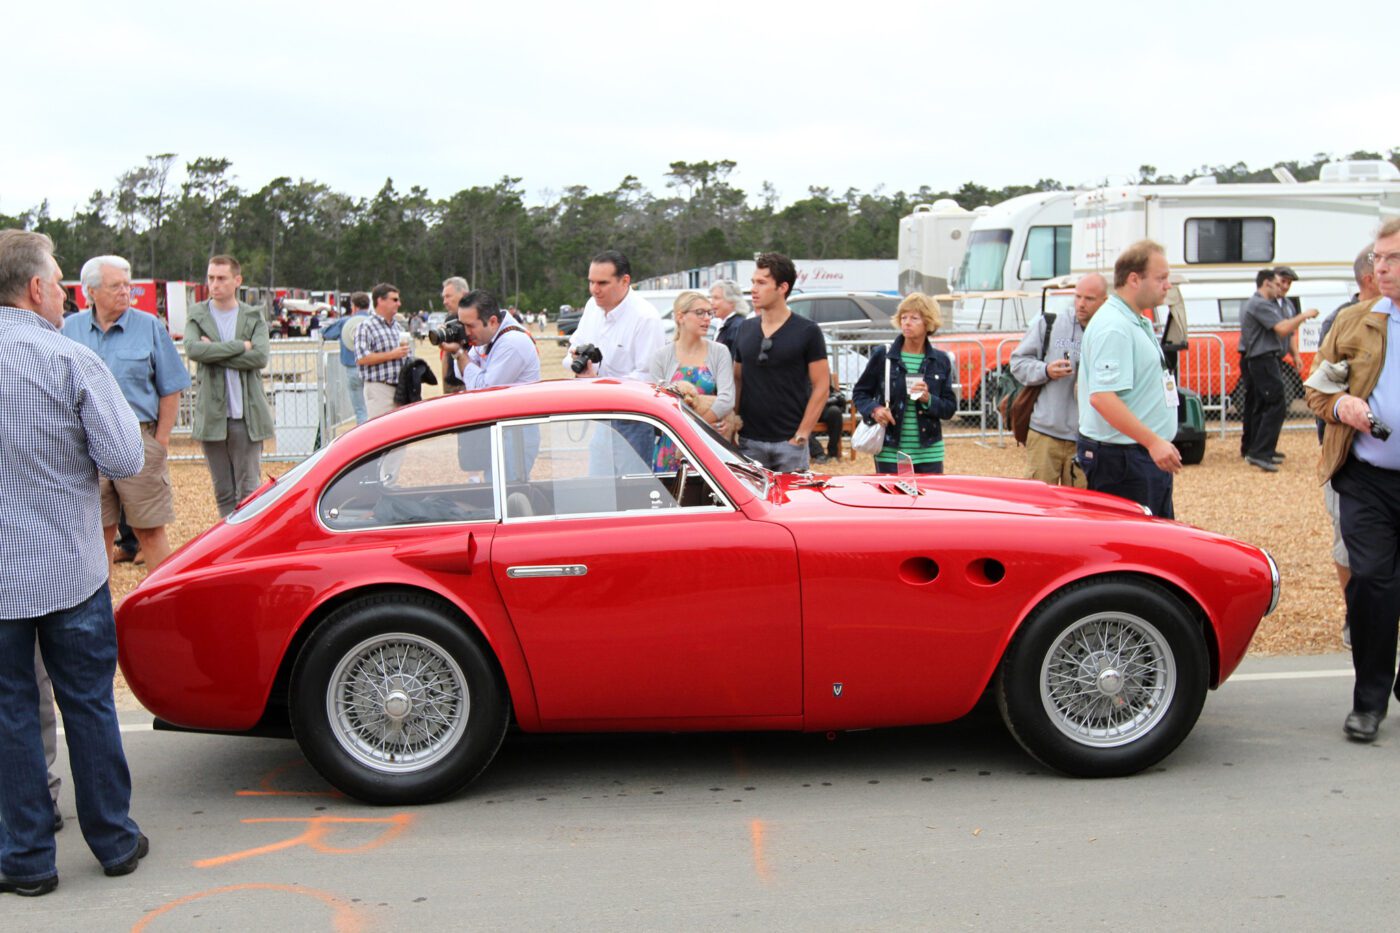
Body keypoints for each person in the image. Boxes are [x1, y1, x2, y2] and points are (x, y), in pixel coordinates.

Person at [0, 229, 149, 896]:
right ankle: (113, 838)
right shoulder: (70, 359)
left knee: (9, 714)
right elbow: (124, 458)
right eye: (59, 281)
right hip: (69, 566)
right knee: (88, 703)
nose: (64, 294)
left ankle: (27, 856)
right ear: (35, 288)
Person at [1306, 220, 1400, 742]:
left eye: (1391, 258)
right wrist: (1342, 404)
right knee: (1371, 583)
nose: (1379, 267)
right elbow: (1318, 389)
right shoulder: (1353, 322)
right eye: (1378, 259)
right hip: (1366, 479)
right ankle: (1369, 702)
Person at [62, 255, 189, 569]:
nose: (125, 292)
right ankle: (98, 615)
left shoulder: (149, 327)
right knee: (96, 534)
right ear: (91, 291)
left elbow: (171, 387)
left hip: (140, 440)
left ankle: (164, 611)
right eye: (116, 286)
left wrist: (160, 442)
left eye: (127, 285)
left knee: (150, 533)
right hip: (85, 447)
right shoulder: (68, 329)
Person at [1075, 240, 1180, 517]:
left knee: (1154, 542)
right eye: (1161, 278)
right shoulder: (1115, 326)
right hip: (1124, 460)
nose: (1167, 285)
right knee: (1134, 548)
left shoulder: (1133, 319)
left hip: (1134, 456)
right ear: (1134, 279)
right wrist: (1153, 442)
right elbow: (1102, 397)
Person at [1320, 248, 1381, 650]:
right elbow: (1320, 389)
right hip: (1351, 461)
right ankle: (1354, 618)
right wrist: (1344, 408)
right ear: (1371, 278)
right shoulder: (1342, 321)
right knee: (1349, 544)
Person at [185, 256, 274, 518]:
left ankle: (250, 542)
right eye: (211, 278)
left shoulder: (253, 316)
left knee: (249, 490)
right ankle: (228, 543)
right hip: (213, 416)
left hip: (246, 416)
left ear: (237, 280)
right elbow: (193, 349)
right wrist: (239, 346)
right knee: (223, 490)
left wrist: (212, 350)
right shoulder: (198, 314)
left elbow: (259, 357)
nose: (214, 284)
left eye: (221, 278)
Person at [732, 253, 831, 472]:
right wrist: (733, 429)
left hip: (789, 443)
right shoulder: (745, 329)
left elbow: (822, 386)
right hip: (749, 442)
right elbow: (737, 380)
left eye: (762, 282)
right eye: (753, 282)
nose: (753, 289)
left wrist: (802, 435)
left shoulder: (808, 331)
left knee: (791, 505)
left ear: (782, 287)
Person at [568, 251, 666, 470]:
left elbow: (649, 379)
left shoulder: (646, 318)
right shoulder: (592, 306)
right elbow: (573, 348)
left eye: (602, 283)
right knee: (599, 490)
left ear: (625, 281)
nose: (595, 289)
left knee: (632, 494)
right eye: (591, 282)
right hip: (602, 417)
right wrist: (579, 364)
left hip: (634, 421)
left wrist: (601, 383)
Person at [1010, 273, 1108, 486]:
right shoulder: (1049, 323)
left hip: (1087, 438)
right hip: (1045, 433)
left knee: (1081, 509)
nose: (1081, 304)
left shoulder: (1110, 333)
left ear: (1105, 301)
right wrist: (1046, 370)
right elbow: (1017, 363)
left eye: (1089, 299)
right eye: (1078, 296)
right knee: (1039, 506)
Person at [852, 292, 958, 474]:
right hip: (890, 450)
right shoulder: (883, 355)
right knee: (893, 501)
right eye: (903, 317)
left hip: (930, 451)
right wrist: (875, 410)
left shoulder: (941, 360)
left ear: (928, 323)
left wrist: (928, 400)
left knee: (928, 501)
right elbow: (860, 393)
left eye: (914, 318)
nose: (906, 322)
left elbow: (949, 408)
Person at [1240, 267, 1318, 471]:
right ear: (1266, 284)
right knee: (1275, 403)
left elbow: (1287, 331)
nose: (1280, 288)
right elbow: (1283, 328)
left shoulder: (1271, 304)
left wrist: (1295, 354)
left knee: (1269, 403)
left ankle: (1262, 450)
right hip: (1261, 359)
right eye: (1277, 283)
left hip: (1268, 358)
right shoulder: (1260, 304)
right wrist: (1304, 315)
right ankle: (1258, 451)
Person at [649, 291, 737, 448]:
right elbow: (657, 404)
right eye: (700, 313)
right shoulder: (660, 356)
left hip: (708, 441)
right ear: (680, 317)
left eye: (710, 313)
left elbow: (727, 398)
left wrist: (697, 427)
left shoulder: (719, 351)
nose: (707, 318)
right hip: (672, 442)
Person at [444, 289, 541, 389]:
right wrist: (458, 347)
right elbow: (462, 374)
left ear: (493, 322)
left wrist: (460, 353)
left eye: (470, 326)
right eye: (462, 325)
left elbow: (484, 390)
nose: (466, 332)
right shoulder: (487, 337)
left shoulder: (512, 342)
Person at [355, 282, 411, 419]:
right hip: (379, 388)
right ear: (380, 300)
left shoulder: (397, 328)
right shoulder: (366, 326)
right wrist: (393, 355)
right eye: (394, 300)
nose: (399, 304)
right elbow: (361, 358)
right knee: (382, 432)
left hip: (400, 389)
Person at [321, 291, 371, 425]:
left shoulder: (345, 322)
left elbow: (327, 333)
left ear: (353, 306)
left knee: (361, 410)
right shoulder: (374, 321)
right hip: (373, 369)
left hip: (352, 369)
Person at [440, 277, 470, 394]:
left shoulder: (478, 318)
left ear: (464, 294)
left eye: (448, 296)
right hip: (452, 385)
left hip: (470, 384)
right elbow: (445, 356)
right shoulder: (450, 320)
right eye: (443, 297)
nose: (444, 301)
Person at [708, 279, 749, 357]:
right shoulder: (726, 324)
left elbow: (734, 361)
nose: (711, 302)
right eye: (711, 298)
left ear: (732, 301)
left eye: (716, 298)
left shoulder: (737, 327)